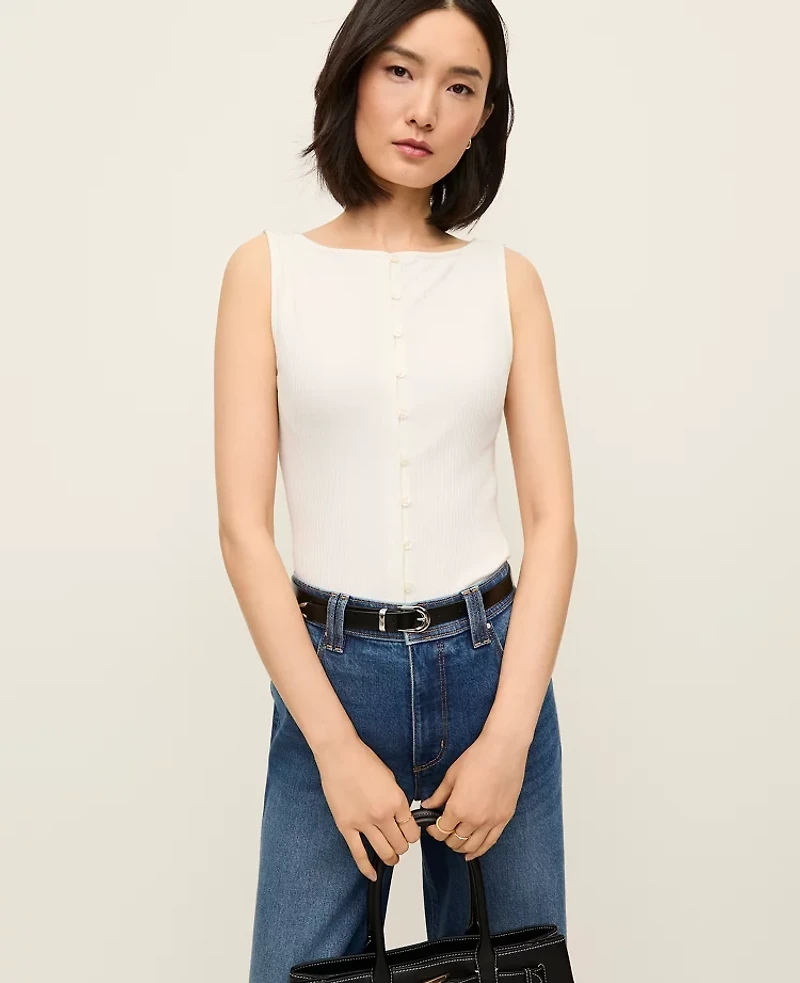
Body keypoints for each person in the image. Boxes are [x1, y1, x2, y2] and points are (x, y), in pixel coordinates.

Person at [213, 2, 577, 981]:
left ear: (483, 117)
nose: (424, 109)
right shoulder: (266, 272)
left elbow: (552, 525)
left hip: (492, 669)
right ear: (354, 75)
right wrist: (333, 748)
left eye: (460, 87)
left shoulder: (508, 281)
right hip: (329, 676)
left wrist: (508, 738)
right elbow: (244, 530)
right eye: (401, 71)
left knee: (513, 966)